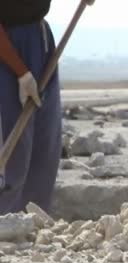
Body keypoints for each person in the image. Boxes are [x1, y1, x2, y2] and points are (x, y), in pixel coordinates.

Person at [0, 0, 95, 214]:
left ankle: (34, 226)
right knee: (14, 150)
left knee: (45, 147)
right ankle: (6, 226)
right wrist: (21, 73)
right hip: (7, 46)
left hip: (39, 40)